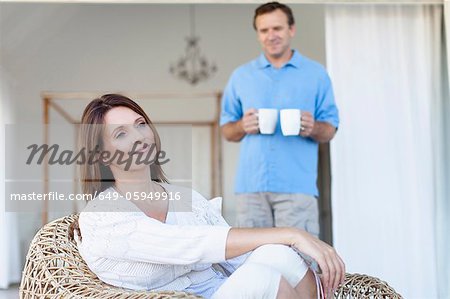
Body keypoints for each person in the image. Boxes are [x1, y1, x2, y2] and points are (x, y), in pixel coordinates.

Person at [71, 94, 344, 299]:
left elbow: (235, 258)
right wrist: (292, 234)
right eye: (121, 133)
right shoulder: (101, 214)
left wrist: (286, 248)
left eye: (140, 124)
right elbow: (188, 244)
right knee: (261, 278)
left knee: (277, 256)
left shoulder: (184, 198)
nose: (140, 137)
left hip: (220, 291)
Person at [220, 2, 339, 237]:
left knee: (298, 262)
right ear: (258, 34)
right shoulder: (241, 76)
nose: (271, 36)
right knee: (251, 261)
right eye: (264, 30)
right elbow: (227, 131)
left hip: (297, 189)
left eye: (277, 28)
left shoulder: (316, 74)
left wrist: (313, 127)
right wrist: (242, 126)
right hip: (251, 188)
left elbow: (331, 129)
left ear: (291, 30)